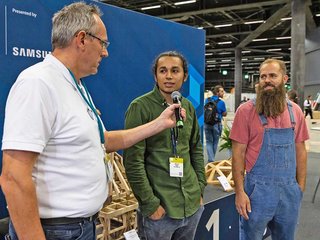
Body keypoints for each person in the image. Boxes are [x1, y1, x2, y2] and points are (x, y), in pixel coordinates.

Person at [0, 3, 185, 240]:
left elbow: (104, 140)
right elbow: (13, 177)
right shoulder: (38, 83)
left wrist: (159, 123)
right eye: (103, 43)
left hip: (78, 227)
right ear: (82, 39)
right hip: (56, 230)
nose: (105, 52)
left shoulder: (74, 85)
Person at [123, 51, 206, 240]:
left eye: (175, 70)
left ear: (185, 76)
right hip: (160, 210)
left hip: (191, 205)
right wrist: (150, 204)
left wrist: (200, 188)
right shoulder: (140, 107)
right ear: (155, 76)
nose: (169, 76)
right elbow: (133, 161)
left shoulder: (188, 107)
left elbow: (196, 149)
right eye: (163, 71)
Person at [230, 59, 309, 240]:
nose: (267, 80)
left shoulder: (295, 112)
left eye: (273, 75)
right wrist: (240, 192)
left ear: (284, 78)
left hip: (289, 191)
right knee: (251, 236)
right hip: (257, 191)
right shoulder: (245, 111)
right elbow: (238, 154)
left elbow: (301, 151)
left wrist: (300, 188)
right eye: (263, 76)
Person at [204, 85, 227, 162]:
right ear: (217, 92)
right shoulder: (221, 102)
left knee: (208, 142)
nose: (223, 93)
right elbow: (224, 113)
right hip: (216, 124)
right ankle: (211, 160)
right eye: (221, 91)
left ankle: (211, 160)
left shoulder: (207, 100)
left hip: (207, 123)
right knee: (215, 142)